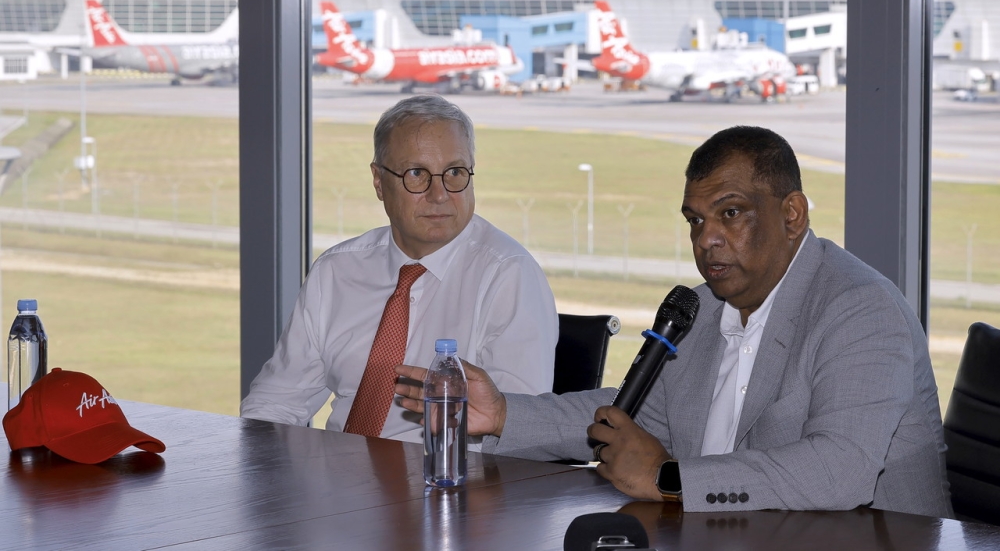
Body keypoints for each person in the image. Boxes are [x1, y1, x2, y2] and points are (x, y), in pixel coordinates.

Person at [396, 125, 952, 517]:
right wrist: (503, 414)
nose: (707, 239)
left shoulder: (859, 308)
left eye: (730, 213)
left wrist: (668, 479)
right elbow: (637, 415)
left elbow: (839, 471)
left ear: (792, 214)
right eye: (695, 220)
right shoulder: (702, 308)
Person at [242, 94, 558, 443]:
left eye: (455, 172)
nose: (439, 194)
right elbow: (276, 402)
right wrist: (257, 464)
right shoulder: (337, 271)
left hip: (447, 474)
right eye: (417, 174)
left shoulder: (508, 275)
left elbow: (514, 434)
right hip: (337, 471)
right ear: (379, 181)